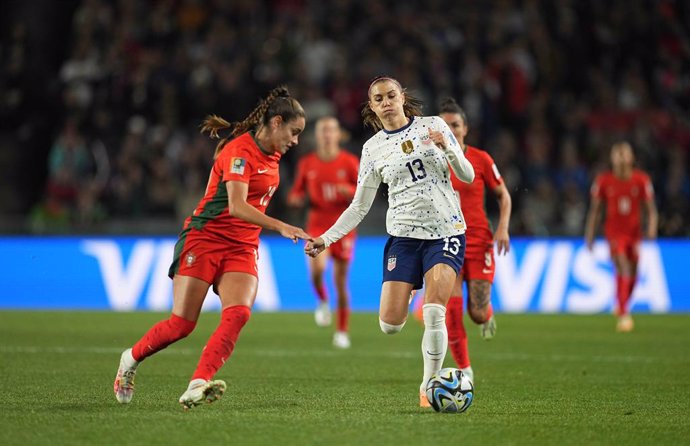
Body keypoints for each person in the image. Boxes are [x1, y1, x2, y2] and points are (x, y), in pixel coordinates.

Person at [113, 86, 311, 409]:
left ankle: (198, 382)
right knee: (182, 324)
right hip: (205, 238)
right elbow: (236, 206)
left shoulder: (273, 155)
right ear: (276, 122)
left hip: (242, 246)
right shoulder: (239, 151)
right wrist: (281, 226)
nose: (296, 141)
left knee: (239, 313)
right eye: (294, 132)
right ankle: (129, 359)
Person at [304, 76, 475, 408]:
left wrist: (449, 151)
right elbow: (359, 206)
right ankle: (412, 284)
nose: (386, 102)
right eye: (378, 98)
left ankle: (429, 387)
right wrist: (326, 238)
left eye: (391, 95)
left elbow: (467, 176)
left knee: (435, 311)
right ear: (372, 106)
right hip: (404, 237)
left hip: (446, 232)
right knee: (389, 325)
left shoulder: (433, 126)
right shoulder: (372, 149)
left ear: (402, 98)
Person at [436, 97, 512, 383]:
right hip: (446, 241)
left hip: (479, 240)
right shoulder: (431, 160)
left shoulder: (480, 159)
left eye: (455, 125)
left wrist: (503, 228)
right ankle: (465, 371)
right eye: (444, 126)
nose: (450, 130)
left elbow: (504, 195)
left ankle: (487, 315)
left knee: (477, 313)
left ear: (465, 128)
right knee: (451, 312)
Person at [287, 117, 359, 348]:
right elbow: (295, 192)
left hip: (343, 226)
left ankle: (342, 331)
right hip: (317, 223)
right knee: (317, 270)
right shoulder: (307, 163)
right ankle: (322, 301)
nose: (327, 134)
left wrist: (347, 190)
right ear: (317, 136)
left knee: (340, 281)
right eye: (322, 130)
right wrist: (295, 199)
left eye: (331, 130)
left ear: (338, 135)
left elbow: (362, 193)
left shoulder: (349, 162)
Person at [584, 141, 657, 332]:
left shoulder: (641, 180)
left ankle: (621, 303)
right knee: (622, 264)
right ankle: (624, 314)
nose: (621, 157)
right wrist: (589, 234)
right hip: (614, 233)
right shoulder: (603, 181)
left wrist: (651, 228)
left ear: (632, 158)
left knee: (634, 271)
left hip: (634, 233)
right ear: (612, 158)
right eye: (617, 154)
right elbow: (595, 211)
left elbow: (650, 210)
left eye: (625, 153)